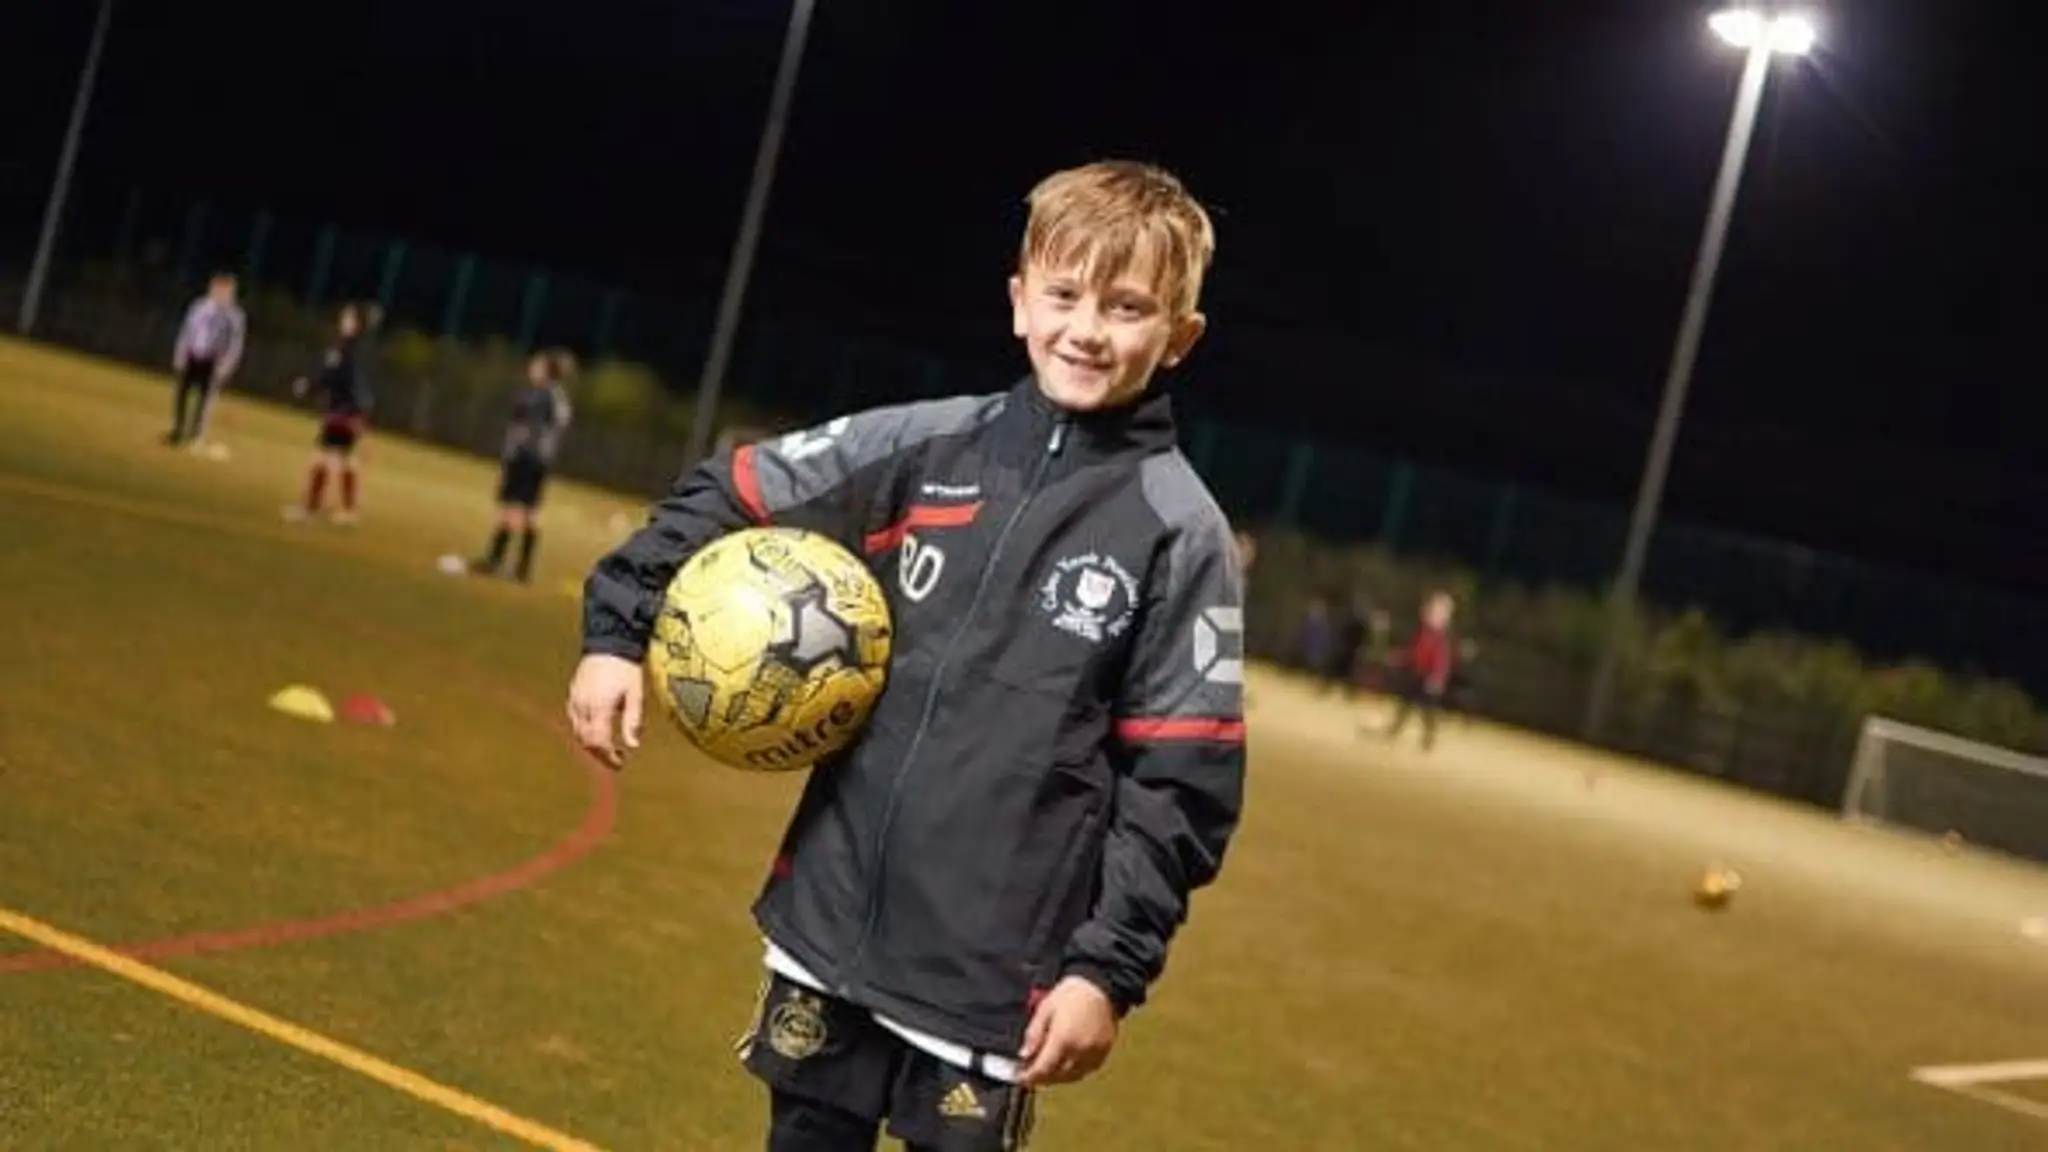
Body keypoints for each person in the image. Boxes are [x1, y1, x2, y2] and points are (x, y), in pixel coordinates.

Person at [567, 159, 1247, 1152]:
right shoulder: (926, 448)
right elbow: (733, 489)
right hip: (829, 929)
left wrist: (1105, 970)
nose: (1086, 329)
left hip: (991, 983)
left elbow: (1182, 784)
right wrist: (616, 632)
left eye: (1127, 306)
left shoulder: (1176, 532)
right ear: (1019, 301)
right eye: (1062, 294)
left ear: (1177, 337)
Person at [470, 349, 577, 582]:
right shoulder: (558, 398)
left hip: (526, 458)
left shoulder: (539, 396)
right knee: (529, 511)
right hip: (539, 460)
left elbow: (524, 426)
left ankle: (496, 560)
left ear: (547, 371)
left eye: (537, 366)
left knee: (512, 507)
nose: (532, 369)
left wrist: (516, 450)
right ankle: (521, 568)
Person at [284, 303, 371, 524]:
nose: (344, 321)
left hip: (343, 410)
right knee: (346, 459)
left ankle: (311, 508)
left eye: (349, 318)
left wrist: (310, 387)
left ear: (357, 325)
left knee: (322, 457)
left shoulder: (347, 350)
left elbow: (335, 378)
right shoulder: (352, 349)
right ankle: (348, 511)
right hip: (350, 410)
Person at [165, 272, 248, 449]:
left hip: (212, 360)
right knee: (182, 394)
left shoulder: (233, 315)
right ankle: (178, 429)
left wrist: (227, 364)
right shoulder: (199, 307)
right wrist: (180, 353)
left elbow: (235, 343)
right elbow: (187, 331)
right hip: (193, 355)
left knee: (204, 399)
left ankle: (196, 433)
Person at [1381, 590, 1456, 751]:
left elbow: (1440, 661)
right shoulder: (1424, 633)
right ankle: (1396, 730)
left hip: (1428, 678)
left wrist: (1437, 678)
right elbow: (1413, 653)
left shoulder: (1438, 638)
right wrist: (1398, 659)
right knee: (1407, 704)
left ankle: (1427, 739)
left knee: (1427, 711)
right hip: (1418, 674)